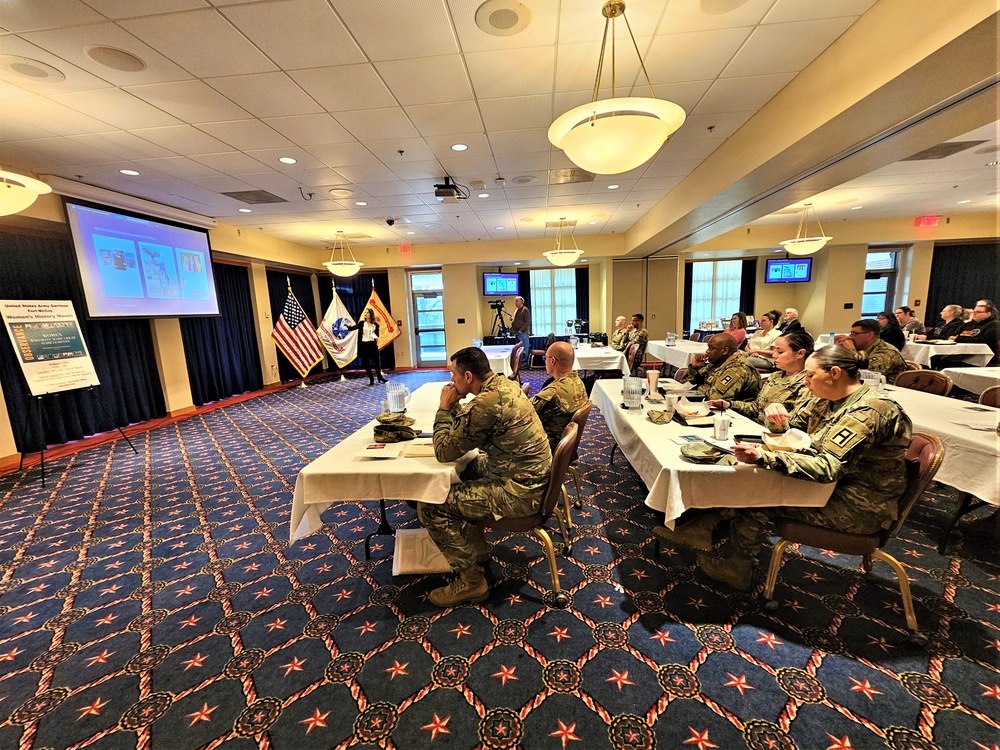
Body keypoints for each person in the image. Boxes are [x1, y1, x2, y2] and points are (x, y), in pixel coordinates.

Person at [679, 345, 913, 590]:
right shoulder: (828, 400)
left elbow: (828, 467)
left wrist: (764, 457)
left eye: (811, 374)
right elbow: (795, 433)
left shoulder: (870, 411)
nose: (805, 380)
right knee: (753, 483)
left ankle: (738, 567)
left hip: (858, 505)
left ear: (835, 373)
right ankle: (704, 528)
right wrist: (777, 422)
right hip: (834, 488)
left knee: (755, 499)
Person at [419, 347, 551, 606]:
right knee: (466, 470)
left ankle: (471, 582)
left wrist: (444, 409)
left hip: (521, 490)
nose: (451, 381)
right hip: (525, 473)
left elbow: (444, 451)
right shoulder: (504, 384)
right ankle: (476, 551)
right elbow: (468, 432)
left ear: (468, 376)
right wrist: (456, 408)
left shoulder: (485, 403)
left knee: (431, 504)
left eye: (453, 375)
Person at [707, 329, 814, 432]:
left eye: (780, 352)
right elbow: (757, 407)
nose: (774, 355)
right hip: (754, 426)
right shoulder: (776, 376)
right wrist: (730, 404)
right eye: (775, 350)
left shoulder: (807, 383)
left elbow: (797, 425)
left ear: (800, 353)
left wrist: (774, 421)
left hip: (776, 435)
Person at [530, 341, 588, 451]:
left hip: (544, 448)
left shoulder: (553, 392)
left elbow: (523, 413)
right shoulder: (579, 382)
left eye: (545, 358)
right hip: (563, 444)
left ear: (552, 361)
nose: (545, 362)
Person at [683, 333, 761, 402]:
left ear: (725, 351)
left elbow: (714, 398)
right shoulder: (719, 360)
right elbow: (686, 383)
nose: (707, 351)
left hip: (733, 414)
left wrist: (697, 388)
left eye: (711, 348)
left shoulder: (737, 369)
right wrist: (694, 368)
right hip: (709, 406)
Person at [834, 319, 906, 384]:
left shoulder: (887, 352)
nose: (850, 337)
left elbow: (863, 374)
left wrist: (851, 350)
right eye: (851, 333)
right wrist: (839, 349)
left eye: (854, 334)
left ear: (869, 335)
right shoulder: (860, 348)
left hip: (886, 391)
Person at [940, 301, 1000, 365]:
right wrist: (952, 337)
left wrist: (958, 339)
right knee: (938, 358)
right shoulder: (968, 324)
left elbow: (984, 340)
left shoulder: (994, 324)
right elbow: (952, 335)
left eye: (978, 312)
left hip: (980, 356)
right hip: (961, 353)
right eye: (974, 312)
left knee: (944, 361)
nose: (974, 313)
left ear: (989, 313)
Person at [346, 308, 386, 385]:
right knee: (366, 363)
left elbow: (377, 335)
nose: (366, 314)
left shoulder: (375, 325)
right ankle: (371, 379)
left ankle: (380, 377)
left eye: (367, 312)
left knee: (377, 363)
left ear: (371, 314)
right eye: (365, 312)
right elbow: (352, 328)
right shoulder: (361, 323)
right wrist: (348, 326)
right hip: (364, 345)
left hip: (372, 344)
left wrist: (374, 334)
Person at [511, 296, 530, 367]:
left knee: (524, 348)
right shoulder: (517, 310)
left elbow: (527, 321)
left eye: (516, 301)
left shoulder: (525, 310)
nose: (515, 303)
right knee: (518, 349)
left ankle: (524, 364)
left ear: (521, 302)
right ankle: (519, 363)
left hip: (523, 333)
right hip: (517, 333)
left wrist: (521, 330)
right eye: (515, 301)